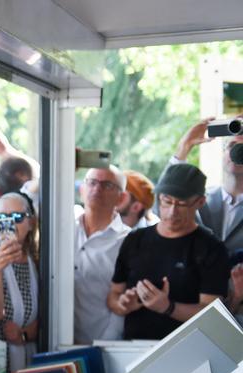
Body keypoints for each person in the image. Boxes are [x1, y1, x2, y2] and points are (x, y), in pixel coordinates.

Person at [108, 163, 230, 340]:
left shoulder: (211, 248)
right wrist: (123, 305)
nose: (172, 212)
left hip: (189, 347)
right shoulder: (135, 240)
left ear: (200, 202)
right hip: (134, 346)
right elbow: (113, 294)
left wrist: (168, 307)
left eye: (181, 204)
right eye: (167, 201)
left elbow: (212, 313)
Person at [0, 192, 39, 372]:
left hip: (30, 354)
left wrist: (25, 333)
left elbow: (46, 313)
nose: (9, 224)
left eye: (16, 217)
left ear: (31, 222)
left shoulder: (35, 258)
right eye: (1, 218)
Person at [73, 165, 130, 345]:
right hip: (55, 339)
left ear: (121, 198)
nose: (97, 189)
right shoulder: (63, 228)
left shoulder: (127, 240)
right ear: (82, 189)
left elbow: (125, 297)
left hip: (102, 342)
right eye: (92, 182)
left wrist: (107, 342)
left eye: (107, 185)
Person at [171, 117, 243, 253]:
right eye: (232, 146)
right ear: (222, 153)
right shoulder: (198, 200)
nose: (236, 153)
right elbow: (162, 206)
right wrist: (184, 146)